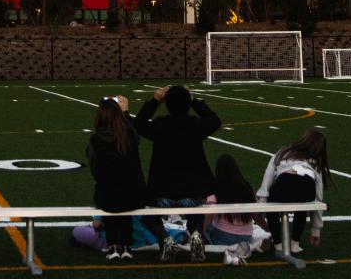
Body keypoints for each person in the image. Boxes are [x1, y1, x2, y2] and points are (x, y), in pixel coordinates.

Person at [137, 84, 223, 259]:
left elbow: (138, 123)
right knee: (197, 210)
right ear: (187, 104)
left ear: (167, 105)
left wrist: (154, 101)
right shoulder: (195, 125)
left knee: (146, 214)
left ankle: (164, 239)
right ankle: (196, 232)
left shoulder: (160, 125)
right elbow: (215, 120)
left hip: (162, 192)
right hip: (193, 191)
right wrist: (194, 101)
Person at [88, 95, 149, 259]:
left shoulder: (96, 139)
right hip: (132, 195)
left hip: (108, 195)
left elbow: (94, 168)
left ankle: (113, 246)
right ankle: (126, 246)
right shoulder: (128, 136)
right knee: (124, 201)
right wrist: (126, 113)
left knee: (110, 196)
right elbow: (135, 136)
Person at [257, 127, 328, 252]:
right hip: (306, 187)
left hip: (283, 184)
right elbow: (318, 194)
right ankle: (295, 244)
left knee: (271, 207)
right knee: (303, 205)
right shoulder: (316, 161)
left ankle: (278, 244)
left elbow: (268, 176)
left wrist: (262, 201)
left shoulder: (284, 151)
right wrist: (316, 230)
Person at [204, 153, 270, 265]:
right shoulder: (246, 187)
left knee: (202, 225)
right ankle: (251, 247)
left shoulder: (215, 187)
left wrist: (200, 232)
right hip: (245, 237)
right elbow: (256, 216)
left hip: (222, 237)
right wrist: (269, 230)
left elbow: (209, 216)